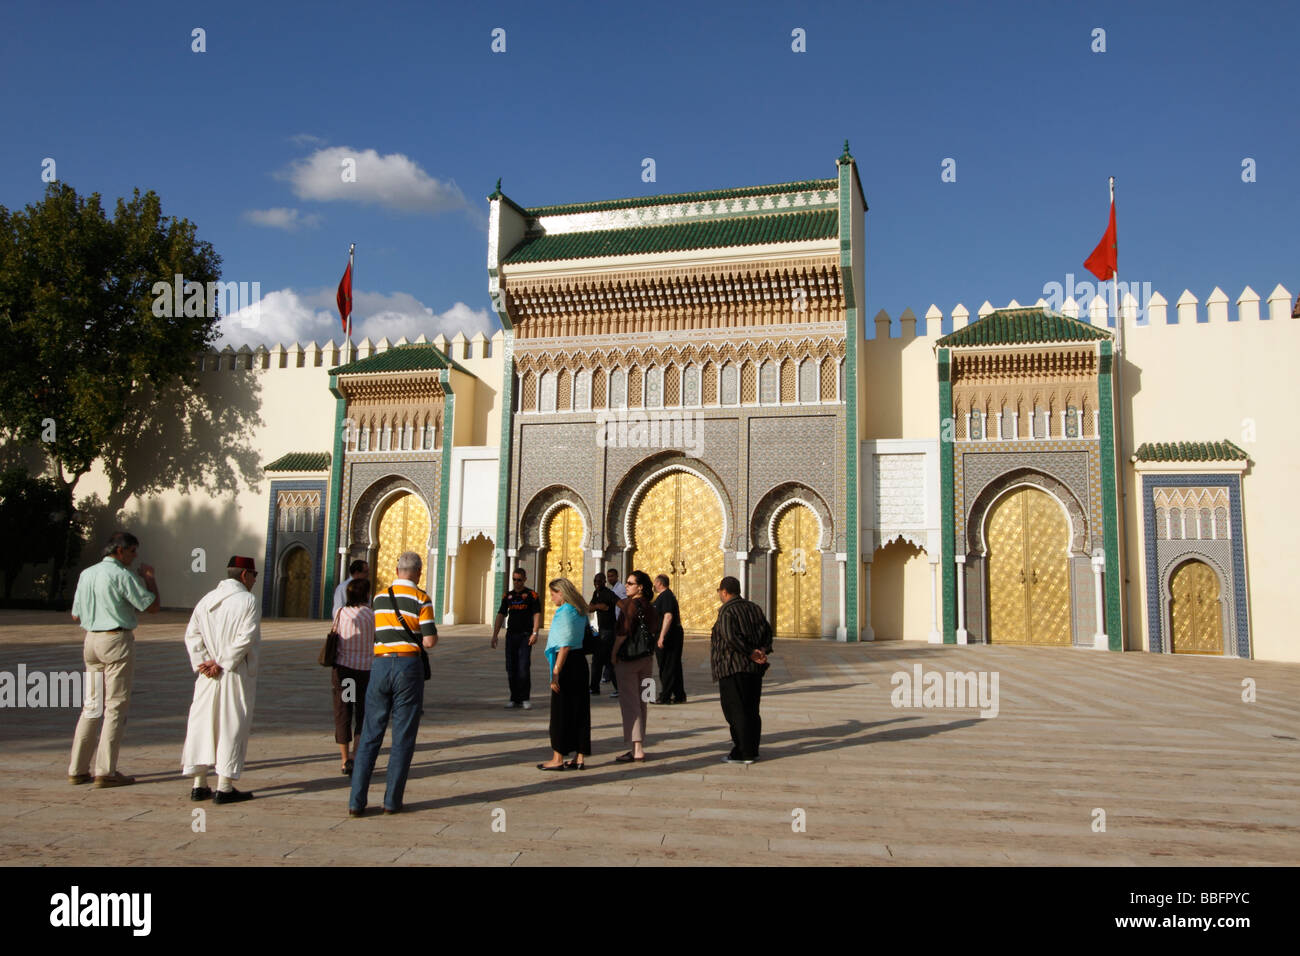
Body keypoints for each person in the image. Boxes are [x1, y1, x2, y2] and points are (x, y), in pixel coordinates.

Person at [67, 531, 160, 788]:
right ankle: (105, 771)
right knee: (115, 706)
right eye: (132, 551)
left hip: (91, 640)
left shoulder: (87, 574)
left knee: (92, 705)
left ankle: (77, 768)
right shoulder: (122, 575)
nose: (134, 556)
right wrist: (150, 579)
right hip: (115, 639)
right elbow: (150, 606)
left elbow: (76, 615)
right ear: (119, 550)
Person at [349, 551, 437, 816]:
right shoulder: (422, 598)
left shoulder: (379, 597)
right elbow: (430, 641)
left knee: (369, 735)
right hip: (408, 667)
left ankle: (356, 802)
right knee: (403, 737)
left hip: (380, 665)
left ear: (397, 571)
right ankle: (391, 801)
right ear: (419, 573)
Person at [182, 556, 263, 803]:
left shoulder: (206, 600)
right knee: (231, 724)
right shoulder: (248, 600)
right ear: (244, 575)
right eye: (254, 575)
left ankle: (199, 783)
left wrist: (204, 662)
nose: (255, 580)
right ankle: (224, 786)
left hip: (208, 675)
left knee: (203, 724)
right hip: (232, 673)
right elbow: (245, 637)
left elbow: (192, 635)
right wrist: (221, 662)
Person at [710, 576, 773, 765]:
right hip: (753, 670)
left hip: (732, 667)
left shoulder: (727, 611)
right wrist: (762, 650)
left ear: (724, 592)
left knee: (735, 710)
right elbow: (767, 632)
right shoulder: (754, 608)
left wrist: (749, 652)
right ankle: (752, 749)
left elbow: (730, 637)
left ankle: (742, 752)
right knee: (751, 709)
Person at [538, 578, 592, 771]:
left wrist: (556, 672)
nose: (552, 597)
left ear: (562, 593)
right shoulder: (580, 611)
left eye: (554, 593)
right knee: (580, 710)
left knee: (560, 711)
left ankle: (558, 756)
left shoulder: (565, 612)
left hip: (567, 664)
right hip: (580, 663)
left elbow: (565, 644)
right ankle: (579, 756)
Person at [610, 569, 660, 763]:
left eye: (630, 583)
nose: (626, 586)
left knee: (630, 703)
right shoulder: (651, 606)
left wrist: (614, 654)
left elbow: (622, 633)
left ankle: (637, 748)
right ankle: (639, 745)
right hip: (647, 659)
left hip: (629, 660)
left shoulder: (630, 605)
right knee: (643, 701)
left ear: (640, 587)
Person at [332, 577, 374, 775]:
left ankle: (344, 758)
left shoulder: (340, 613)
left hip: (344, 672)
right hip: (364, 672)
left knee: (344, 711)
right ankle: (357, 756)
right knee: (362, 713)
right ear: (366, 594)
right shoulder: (371, 615)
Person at [491, 567, 541, 709]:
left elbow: (536, 614)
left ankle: (525, 698)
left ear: (524, 579)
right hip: (511, 636)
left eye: (519, 580)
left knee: (523, 666)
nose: (516, 582)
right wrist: (495, 635)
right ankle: (514, 698)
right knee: (511, 667)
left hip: (525, 636)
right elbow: (501, 614)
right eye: (514, 579)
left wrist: (535, 632)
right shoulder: (508, 596)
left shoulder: (532, 595)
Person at [652, 573, 686, 705]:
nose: (654, 585)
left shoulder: (666, 596)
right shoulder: (666, 596)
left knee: (667, 666)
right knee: (674, 665)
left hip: (670, 636)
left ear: (660, 583)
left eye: (655, 583)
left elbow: (668, 616)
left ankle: (665, 696)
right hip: (672, 634)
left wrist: (661, 636)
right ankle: (679, 695)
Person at [588, 572, 619, 696]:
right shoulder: (597, 593)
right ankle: (595, 688)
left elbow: (605, 607)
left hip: (608, 631)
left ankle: (596, 687)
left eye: (599, 581)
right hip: (602, 631)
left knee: (601, 660)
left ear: (604, 581)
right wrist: (597, 606)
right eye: (595, 581)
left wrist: (598, 606)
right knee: (604, 661)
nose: (597, 584)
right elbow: (590, 607)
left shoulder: (608, 593)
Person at [603, 567, 627, 694]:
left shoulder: (620, 589)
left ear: (617, 576)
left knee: (614, 652)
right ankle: (608, 676)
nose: (610, 578)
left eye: (612, 576)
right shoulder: (613, 589)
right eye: (608, 576)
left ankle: (615, 681)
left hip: (618, 624)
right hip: (614, 624)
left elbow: (623, 605)